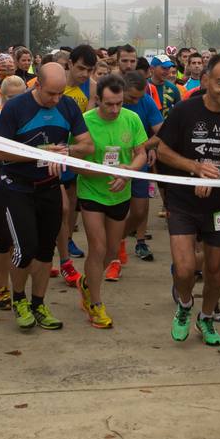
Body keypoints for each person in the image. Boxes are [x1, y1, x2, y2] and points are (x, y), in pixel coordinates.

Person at [156, 53, 220, 347]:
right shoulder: (184, 111)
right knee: (185, 269)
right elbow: (162, 151)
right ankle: (186, 306)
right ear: (205, 81)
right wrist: (196, 168)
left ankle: (207, 316)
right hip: (182, 202)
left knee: (216, 271)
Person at [0, 62, 92, 332]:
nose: (56, 100)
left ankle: (39, 303)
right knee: (25, 248)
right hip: (17, 187)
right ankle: (19, 299)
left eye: (60, 93)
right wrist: (41, 153)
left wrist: (66, 151)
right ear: (37, 85)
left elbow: (87, 145)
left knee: (46, 250)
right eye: (51, 94)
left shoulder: (68, 106)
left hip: (49, 187)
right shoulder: (15, 108)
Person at [75, 75, 149, 329]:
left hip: (120, 193)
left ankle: (87, 283)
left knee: (110, 251)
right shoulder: (84, 122)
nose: (115, 109)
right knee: (97, 247)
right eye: (109, 104)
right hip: (91, 193)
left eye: (119, 103)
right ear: (98, 100)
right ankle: (95, 304)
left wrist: (127, 171)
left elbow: (142, 153)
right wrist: (111, 173)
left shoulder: (132, 118)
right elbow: (79, 166)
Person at [0, 75, 30, 311]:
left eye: (20, 97)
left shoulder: (30, 120)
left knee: (21, 238)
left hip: (22, 186)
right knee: (3, 238)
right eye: (10, 97)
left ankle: (16, 285)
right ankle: (2, 285)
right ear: (2, 97)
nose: (15, 102)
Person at [56, 45, 97, 281]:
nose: (84, 74)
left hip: (74, 151)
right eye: (81, 68)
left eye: (89, 70)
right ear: (69, 63)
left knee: (71, 202)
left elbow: (86, 121)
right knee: (60, 205)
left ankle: (68, 239)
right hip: (52, 148)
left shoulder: (90, 87)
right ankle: (59, 247)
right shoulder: (56, 82)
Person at [120, 70, 164, 267]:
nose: (136, 101)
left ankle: (137, 241)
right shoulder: (109, 102)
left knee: (139, 209)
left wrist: (145, 147)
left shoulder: (146, 101)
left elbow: (162, 131)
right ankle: (115, 243)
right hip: (112, 163)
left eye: (139, 97)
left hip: (138, 161)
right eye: (131, 97)